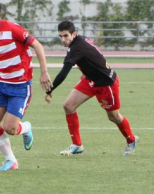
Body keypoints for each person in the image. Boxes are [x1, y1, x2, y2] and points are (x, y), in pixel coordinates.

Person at [0, 0, 52, 171]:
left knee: (10, 128)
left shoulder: (13, 29)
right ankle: (11, 161)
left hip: (19, 86)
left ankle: (25, 128)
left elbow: (38, 46)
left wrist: (43, 72)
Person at [45, 21, 139, 157]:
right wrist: (86, 70)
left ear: (74, 34)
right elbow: (93, 53)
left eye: (66, 36)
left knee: (114, 116)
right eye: (60, 36)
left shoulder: (75, 48)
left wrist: (49, 90)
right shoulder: (81, 40)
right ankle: (77, 145)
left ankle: (131, 140)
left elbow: (63, 73)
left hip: (106, 84)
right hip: (90, 80)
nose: (63, 40)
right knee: (68, 106)